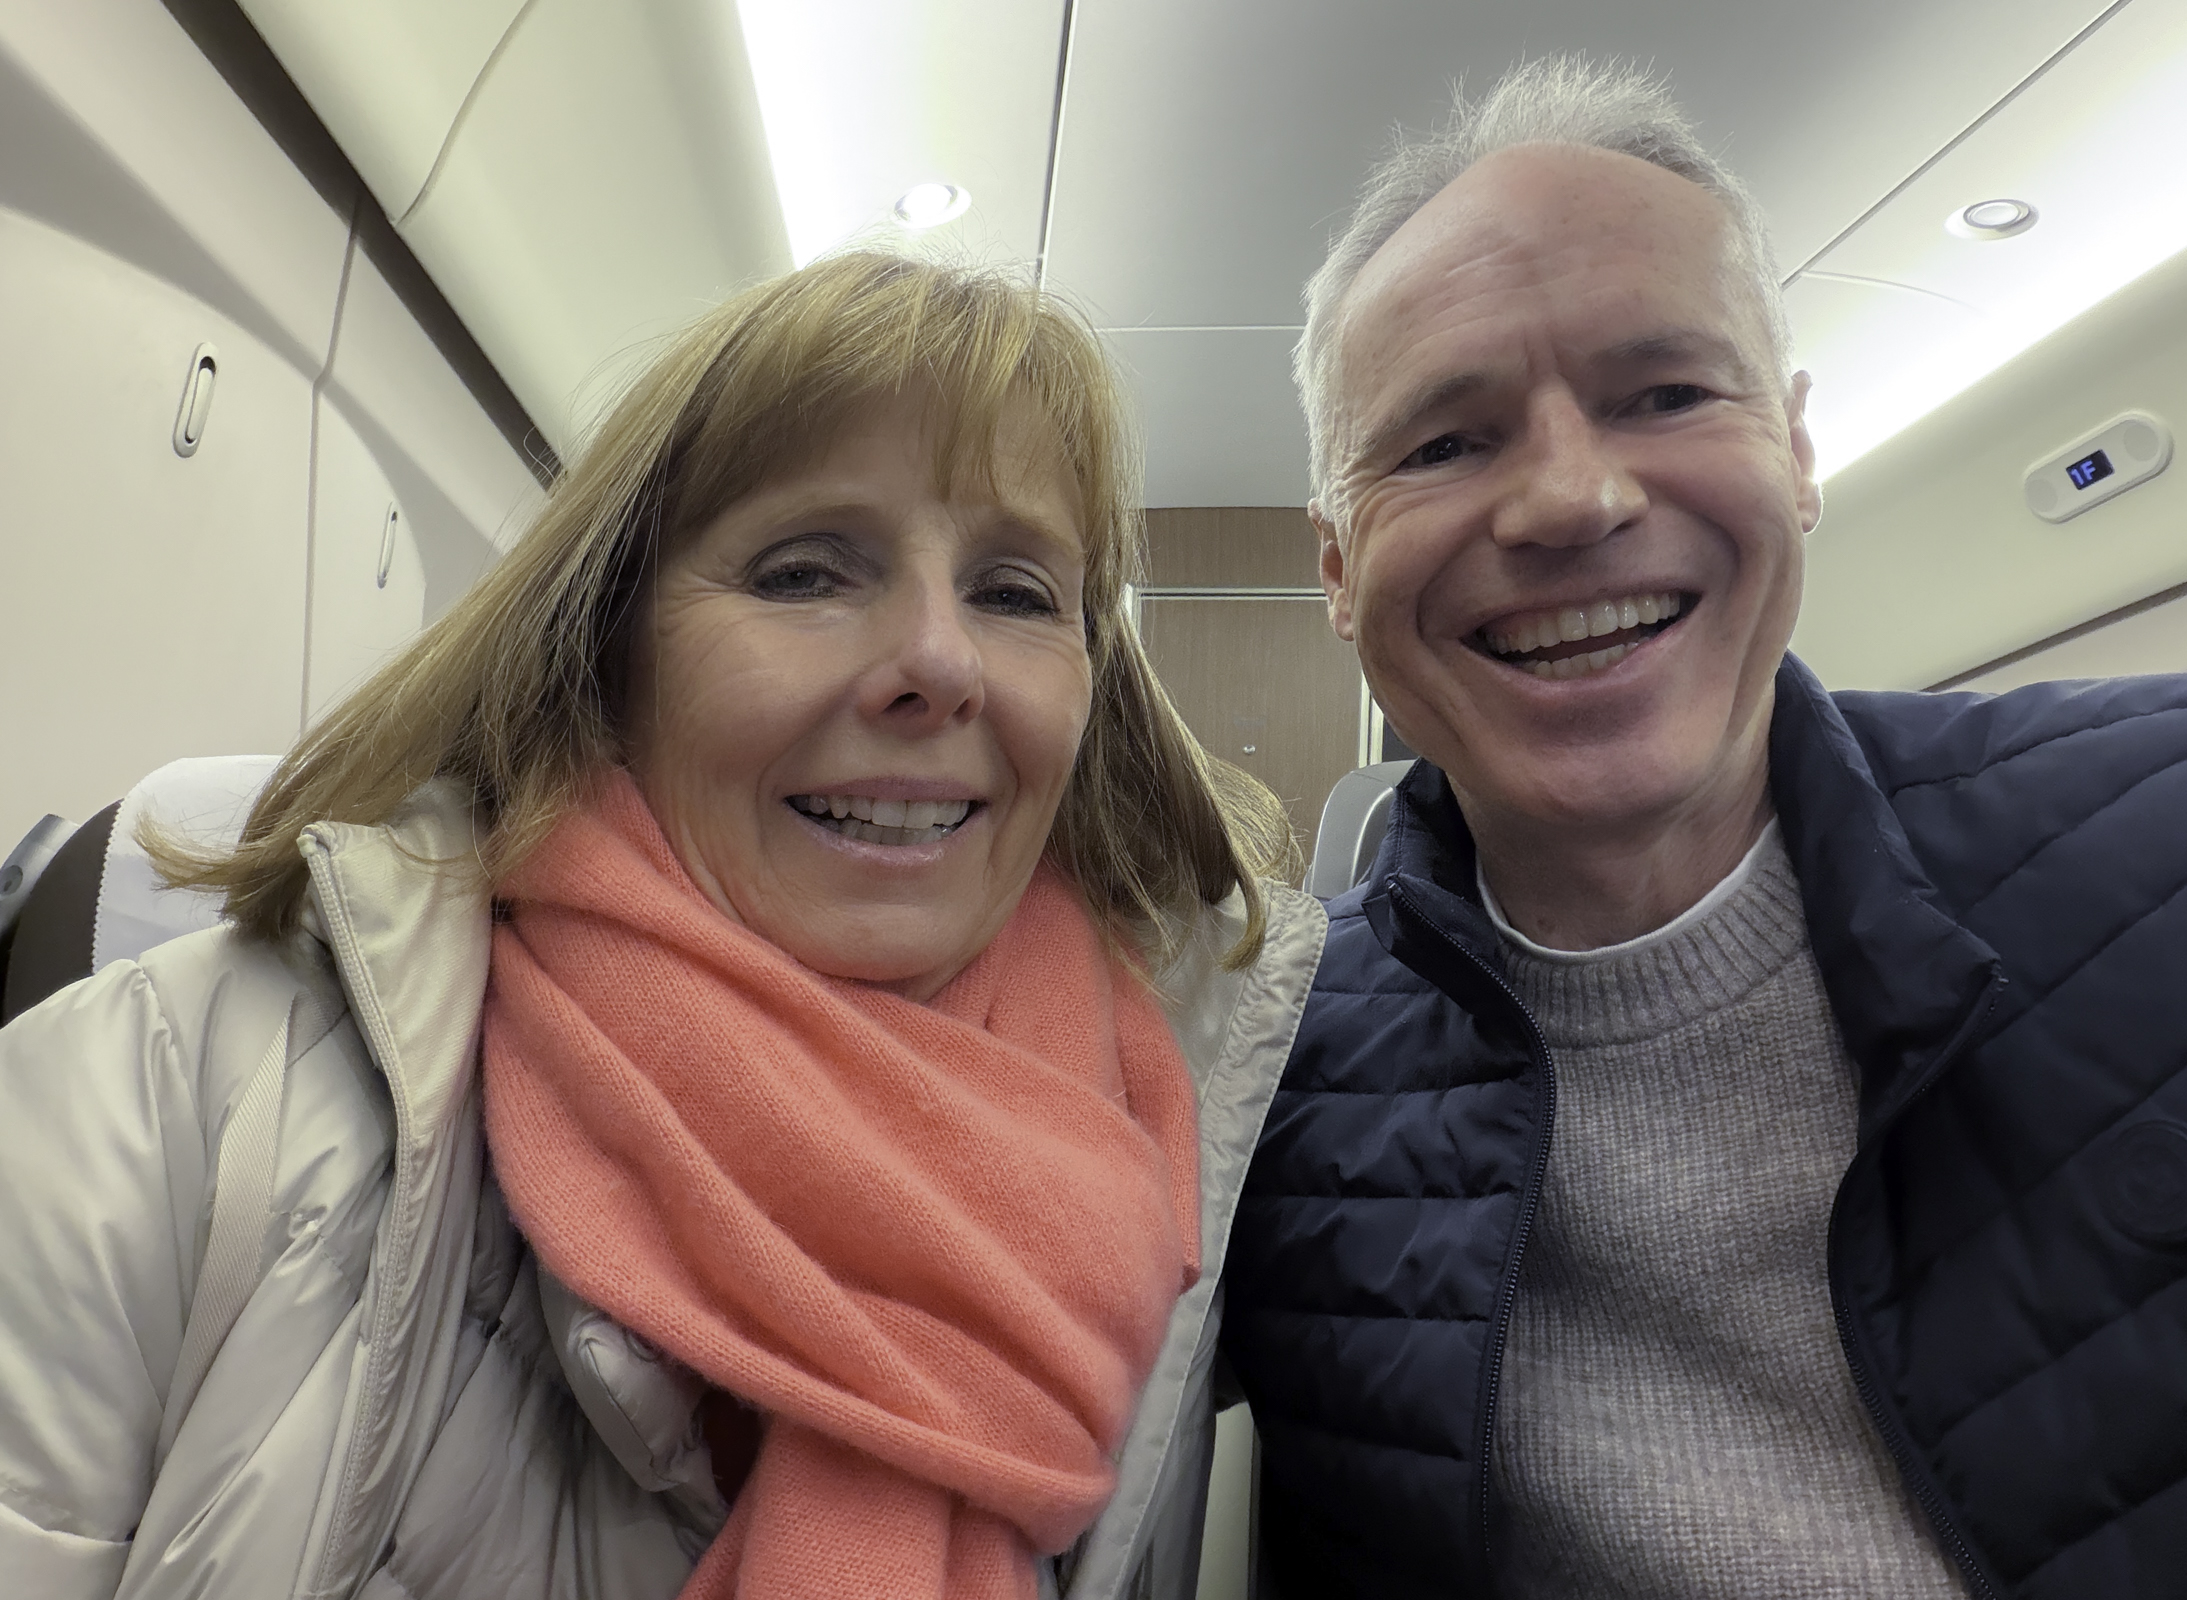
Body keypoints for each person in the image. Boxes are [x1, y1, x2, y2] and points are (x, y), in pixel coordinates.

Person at [1219, 56, 2187, 1600]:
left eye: (1665, 392)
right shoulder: (1262, 1082)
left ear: (1798, 452)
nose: (1573, 498)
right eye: (1444, 443)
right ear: (1332, 565)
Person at [0, 251, 1327, 1600]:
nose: (941, 661)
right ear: (610, 648)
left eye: (1015, 594)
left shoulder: (1174, 1156)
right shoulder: (173, 1094)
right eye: (808, 573)